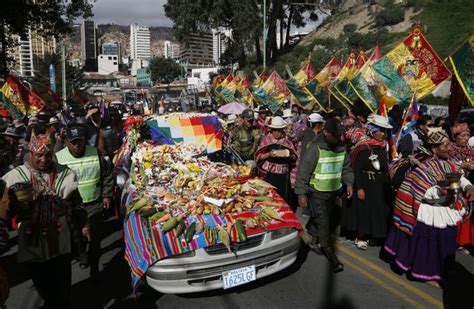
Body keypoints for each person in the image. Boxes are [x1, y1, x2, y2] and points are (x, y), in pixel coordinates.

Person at [2, 131, 87, 308]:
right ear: (30, 153)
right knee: (44, 289)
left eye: (47, 155)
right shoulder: (15, 177)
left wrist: (85, 226)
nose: (43, 159)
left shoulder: (65, 174)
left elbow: (77, 203)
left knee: (63, 287)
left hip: (60, 240)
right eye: (39, 155)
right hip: (32, 243)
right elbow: (3, 211)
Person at [384, 127, 474, 287]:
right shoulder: (424, 167)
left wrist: (468, 187)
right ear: (434, 148)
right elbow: (420, 190)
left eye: (449, 145)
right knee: (431, 243)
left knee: (446, 240)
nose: (449, 148)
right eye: (445, 146)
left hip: (446, 209)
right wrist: (439, 190)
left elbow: (460, 178)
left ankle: (443, 269)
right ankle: (428, 274)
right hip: (430, 212)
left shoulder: (448, 164)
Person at [295, 118, 354, 272]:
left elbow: (346, 168)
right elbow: (303, 172)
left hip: (334, 193)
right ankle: (331, 256)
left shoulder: (341, 148)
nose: (337, 138)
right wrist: (301, 194)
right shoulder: (315, 148)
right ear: (326, 133)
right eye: (334, 135)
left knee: (328, 219)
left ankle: (313, 236)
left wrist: (349, 183)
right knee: (324, 224)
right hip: (317, 194)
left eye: (339, 135)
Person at [55, 123, 114, 276]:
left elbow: (107, 175)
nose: (76, 145)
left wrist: (106, 195)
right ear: (66, 141)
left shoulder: (95, 153)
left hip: (93, 203)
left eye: (79, 141)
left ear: (84, 140)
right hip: (71, 207)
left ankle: (95, 264)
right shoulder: (59, 158)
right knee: (77, 237)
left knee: (94, 237)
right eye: (72, 141)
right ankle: (82, 256)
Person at [342, 114, 393, 249]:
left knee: (376, 210)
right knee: (364, 210)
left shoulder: (383, 146)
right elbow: (357, 169)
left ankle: (372, 235)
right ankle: (360, 236)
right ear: (372, 130)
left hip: (378, 184)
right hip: (365, 183)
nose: (383, 134)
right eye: (380, 130)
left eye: (384, 131)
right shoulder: (363, 147)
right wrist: (359, 188)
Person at [255, 116, 297, 202]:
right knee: (269, 197)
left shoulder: (287, 142)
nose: (277, 133)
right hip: (269, 175)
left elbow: (294, 158)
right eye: (274, 130)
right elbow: (259, 157)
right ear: (271, 130)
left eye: (279, 130)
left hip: (283, 177)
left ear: (282, 130)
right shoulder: (266, 140)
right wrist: (269, 154)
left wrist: (288, 155)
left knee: (282, 198)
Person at [447, 123, 474, 253]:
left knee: (467, 213)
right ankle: (455, 241)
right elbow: (448, 167)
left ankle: (464, 240)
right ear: (455, 137)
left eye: (468, 135)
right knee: (456, 211)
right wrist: (464, 165)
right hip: (454, 184)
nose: (466, 138)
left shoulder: (470, 149)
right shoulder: (449, 149)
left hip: (469, 184)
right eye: (463, 135)